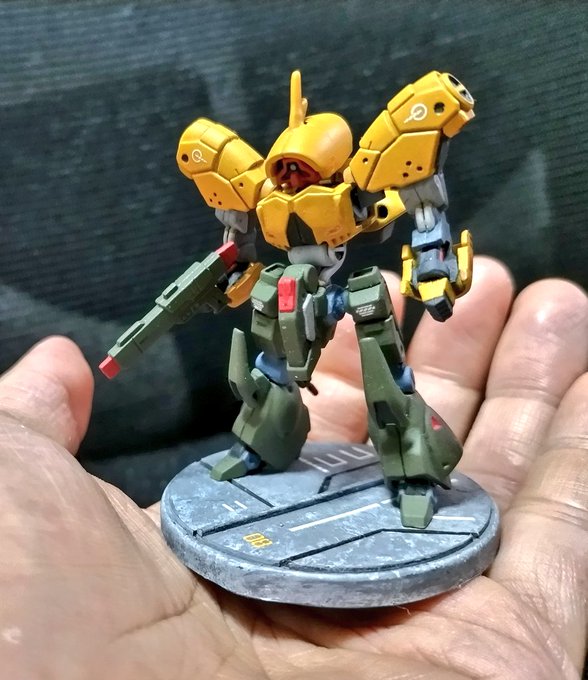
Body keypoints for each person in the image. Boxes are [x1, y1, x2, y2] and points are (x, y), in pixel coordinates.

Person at [0, 257, 586, 679]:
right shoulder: (261, 193)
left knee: (387, 384)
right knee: (266, 376)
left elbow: (416, 197)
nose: (294, 180)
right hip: (287, 289)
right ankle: (259, 447)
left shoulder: (364, 178)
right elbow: (232, 244)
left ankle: (413, 471)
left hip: (347, 292)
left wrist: (433, 261)